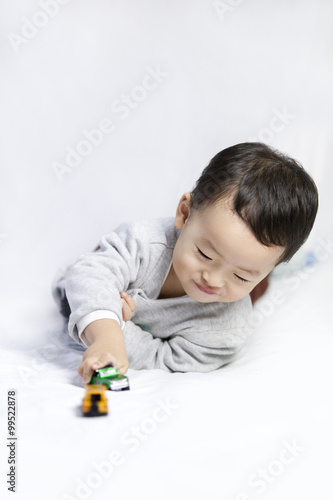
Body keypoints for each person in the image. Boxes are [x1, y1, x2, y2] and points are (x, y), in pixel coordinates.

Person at [51, 142, 318, 384]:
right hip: (134, 255)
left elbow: (167, 359)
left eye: (241, 276)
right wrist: (106, 335)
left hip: (240, 294)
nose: (212, 279)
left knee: (260, 287)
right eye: (205, 254)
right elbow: (86, 277)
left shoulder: (228, 328)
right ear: (184, 213)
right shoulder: (143, 242)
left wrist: (122, 330)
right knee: (100, 269)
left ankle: (289, 265)